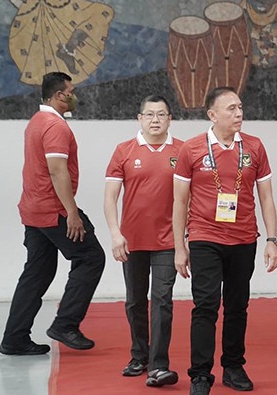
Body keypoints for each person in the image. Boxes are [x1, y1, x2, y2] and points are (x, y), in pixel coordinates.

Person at [173, 87, 277, 395]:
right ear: (212, 115)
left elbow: (267, 197)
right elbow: (179, 201)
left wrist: (272, 239)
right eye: (231, 109)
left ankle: (233, 366)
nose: (239, 113)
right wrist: (180, 247)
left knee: (237, 305)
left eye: (240, 107)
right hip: (204, 237)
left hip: (244, 238)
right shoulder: (192, 149)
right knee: (206, 305)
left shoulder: (255, 147)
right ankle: (200, 374)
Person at [0, 72, 105, 356]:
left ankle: (14, 339)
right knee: (91, 257)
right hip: (52, 209)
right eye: (72, 90)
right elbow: (57, 170)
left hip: (33, 209)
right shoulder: (55, 126)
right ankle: (65, 325)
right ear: (60, 95)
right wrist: (72, 213)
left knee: (37, 273)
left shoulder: (37, 121)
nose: (74, 95)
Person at [104, 95, 183, 386]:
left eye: (161, 115)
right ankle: (139, 355)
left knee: (162, 301)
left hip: (168, 242)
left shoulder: (183, 151)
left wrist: (185, 238)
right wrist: (115, 233)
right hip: (132, 242)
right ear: (139, 118)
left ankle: (158, 365)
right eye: (149, 115)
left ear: (170, 118)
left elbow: (193, 197)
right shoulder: (124, 151)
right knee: (135, 301)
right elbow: (110, 197)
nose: (155, 120)